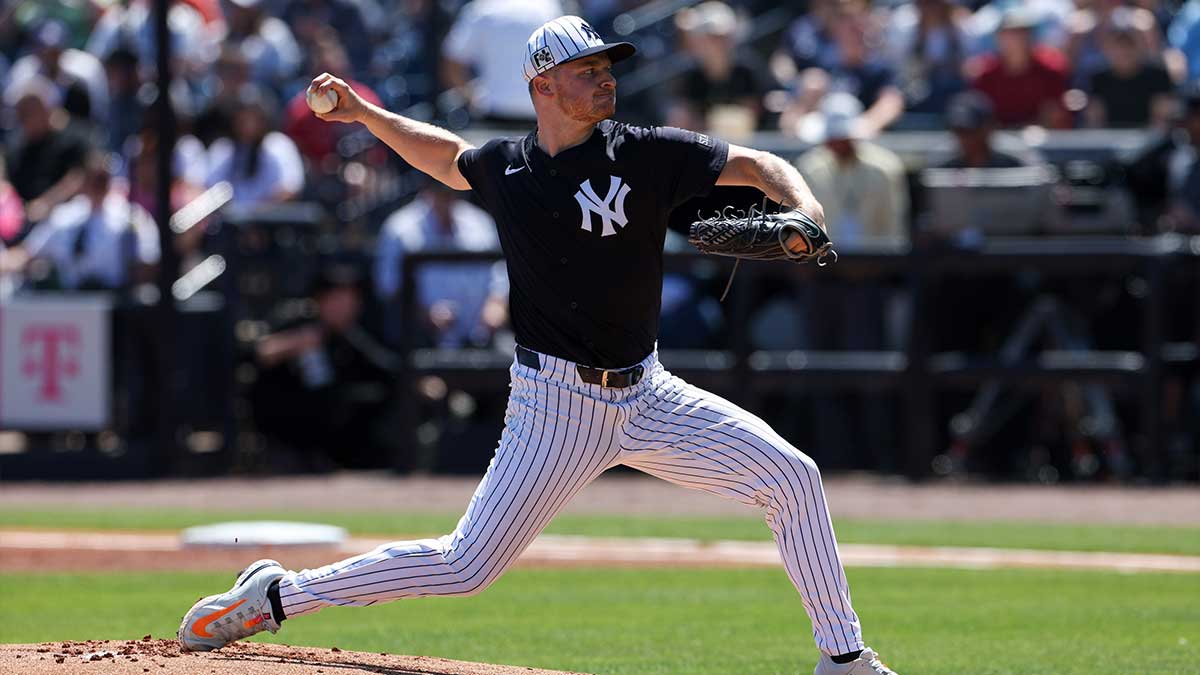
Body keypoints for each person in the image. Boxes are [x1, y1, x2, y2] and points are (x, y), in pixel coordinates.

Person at [177, 16, 899, 675]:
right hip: (555, 405)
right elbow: (444, 155)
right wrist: (365, 112)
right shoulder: (512, 169)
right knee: (465, 566)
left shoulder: (646, 153)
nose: (606, 76)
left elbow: (756, 163)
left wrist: (803, 206)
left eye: (607, 66)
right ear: (542, 85)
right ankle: (278, 594)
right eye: (588, 69)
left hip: (649, 392)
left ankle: (844, 659)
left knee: (793, 477)